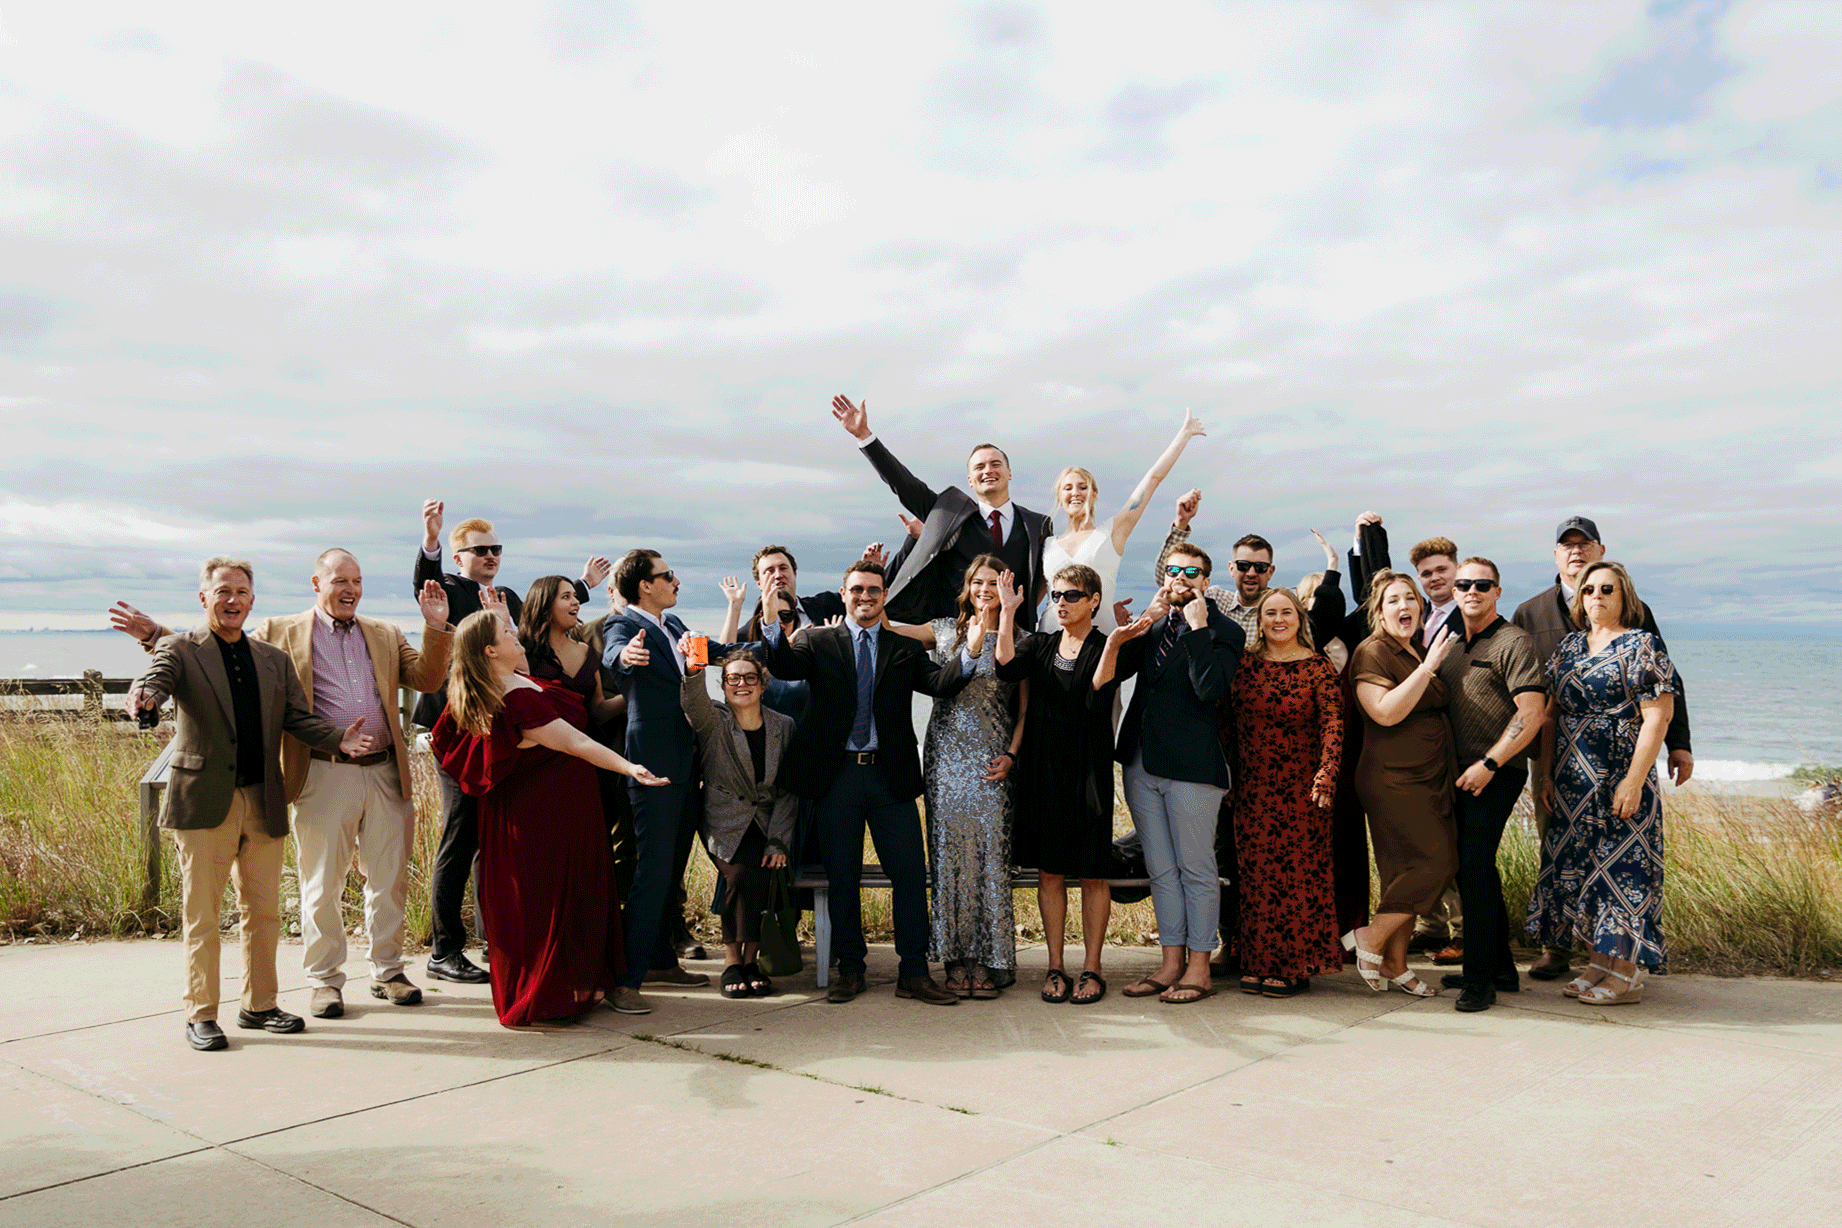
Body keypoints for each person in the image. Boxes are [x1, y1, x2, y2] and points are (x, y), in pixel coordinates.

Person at [110, 550, 453, 1018]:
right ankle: (325, 981)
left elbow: (430, 677)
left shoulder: (386, 633)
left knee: (388, 881)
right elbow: (216, 656)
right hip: (320, 770)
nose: (349, 589)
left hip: (385, 771)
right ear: (317, 583)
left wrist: (436, 627)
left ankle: (388, 971)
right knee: (321, 885)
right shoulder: (279, 632)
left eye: (356, 580)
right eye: (339, 580)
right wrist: (154, 637)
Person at [126, 558, 381, 1051]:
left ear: (252, 600)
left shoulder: (272, 658)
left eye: (241, 591)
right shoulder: (180, 648)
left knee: (262, 911)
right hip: (204, 804)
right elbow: (155, 680)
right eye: (223, 591)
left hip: (263, 799)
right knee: (202, 914)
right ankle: (200, 1013)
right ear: (205, 599)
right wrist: (143, 696)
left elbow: (296, 719)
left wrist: (338, 740)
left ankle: (259, 1005)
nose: (232, 600)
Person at [430, 610, 667, 1027]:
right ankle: (545, 996)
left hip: (551, 810)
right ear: (489, 650)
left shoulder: (504, 682)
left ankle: (560, 988)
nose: (515, 632)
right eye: (506, 632)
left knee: (551, 900)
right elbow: (575, 741)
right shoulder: (514, 698)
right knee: (546, 902)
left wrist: (499, 620)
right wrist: (629, 768)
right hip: (545, 818)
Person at [758, 558, 977, 1005]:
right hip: (836, 778)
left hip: (888, 778)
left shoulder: (904, 648)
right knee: (843, 878)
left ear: (883, 597)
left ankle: (913, 972)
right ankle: (851, 971)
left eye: (873, 591)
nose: (865, 597)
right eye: (857, 589)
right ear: (844, 594)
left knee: (911, 877)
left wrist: (970, 652)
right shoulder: (817, 642)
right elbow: (781, 666)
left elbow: (942, 684)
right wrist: (768, 617)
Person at [414, 500, 605, 987]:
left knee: (494, 841)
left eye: (496, 548)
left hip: (504, 736)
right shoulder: (450, 590)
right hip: (461, 735)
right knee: (461, 838)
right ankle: (444, 948)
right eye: (480, 550)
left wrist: (583, 587)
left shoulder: (508, 596)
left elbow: (529, 640)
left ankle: (495, 939)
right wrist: (432, 540)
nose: (491, 556)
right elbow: (426, 584)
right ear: (459, 558)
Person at [1512, 515, 1694, 982]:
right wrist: (1546, 773)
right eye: (1590, 591)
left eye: (1606, 590)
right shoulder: (1563, 641)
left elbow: (1660, 711)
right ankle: (1594, 963)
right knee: (1577, 867)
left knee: (1624, 872)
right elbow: (1548, 714)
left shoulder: (1642, 642)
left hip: (1619, 771)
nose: (1596, 597)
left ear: (1623, 596)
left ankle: (1625, 973)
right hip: (1570, 777)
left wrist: (1641, 776)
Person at [996, 564, 1150, 1005]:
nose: (1060, 602)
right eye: (1056, 595)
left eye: (1072, 596)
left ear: (1093, 602)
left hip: (1087, 772)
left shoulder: (1108, 644)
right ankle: (1056, 965)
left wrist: (1118, 641)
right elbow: (1006, 667)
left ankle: (1092, 967)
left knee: (1093, 874)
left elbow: (1098, 696)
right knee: (1050, 873)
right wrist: (1008, 612)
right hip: (1043, 772)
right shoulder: (1040, 644)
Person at [1113, 545, 1240, 1004]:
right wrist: (1136, 625)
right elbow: (1119, 673)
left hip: (1192, 768)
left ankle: (1200, 967)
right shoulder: (1155, 625)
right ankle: (1170, 964)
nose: (1181, 578)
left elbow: (1209, 688)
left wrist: (1199, 627)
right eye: (1173, 570)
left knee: (1196, 868)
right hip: (1140, 763)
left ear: (1206, 580)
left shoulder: (1225, 630)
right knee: (1161, 871)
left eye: (1192, 572)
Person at [601, 549, 717, 1013]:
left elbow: (710, 654)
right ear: (644, 585)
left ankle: (662, 960)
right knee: (651, 872)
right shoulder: (624, 627)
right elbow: (615, 656)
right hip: (653, 769)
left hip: (688, 765)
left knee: (671, 870)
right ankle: (625, 980)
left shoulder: (674, 624)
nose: (676, 581)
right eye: (668, 575)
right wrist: (626, 658)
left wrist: (770, 641)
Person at [830, 394, 1054, 631]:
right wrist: (864, 436)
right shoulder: (948, 512)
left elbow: (1041, 581)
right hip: (955, 637)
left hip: (1015, 638)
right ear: (970, 480)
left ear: (1009, 472)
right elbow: (904, 483)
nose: (988, 470)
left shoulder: (1038, 524)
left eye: (995, 464)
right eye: (979, 467)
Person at [1431, 559, 1547, 1013]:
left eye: (1482, 584)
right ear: (1454, 591)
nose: (1471, 591)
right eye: (1464, 584)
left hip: (1495, 773)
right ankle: (1499, 965)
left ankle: (1479, 981)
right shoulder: (1453, 643)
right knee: (1470, 868)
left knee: (1474, 866)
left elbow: (1531, 712)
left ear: (1497, 591)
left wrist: (1490, 763)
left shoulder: (1513, 641)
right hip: (1454, 772)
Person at [1344, 569, 1459, 998]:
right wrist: (1429, 669)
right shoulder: (1372, 652)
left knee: (1401, 875)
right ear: (1379, 610)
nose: (1404, 606)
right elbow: (1385, 712)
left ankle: (1395, 962)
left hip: (1428, 774)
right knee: (1437, 862)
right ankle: (1370, 938)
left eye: (1410, 598)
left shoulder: (1416, 649)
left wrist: (1426, 662)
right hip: (1392, 777)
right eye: (1393, 600)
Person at [1229, 587, 1345, 999]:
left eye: (1286, 613)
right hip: (1253, 787)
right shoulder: (1245, 665)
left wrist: (1326, 775)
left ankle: (1293, 966)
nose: (1278, 620)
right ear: (1259, 621)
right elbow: (1228, 721)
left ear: (1300, 619)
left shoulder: (1318, 667)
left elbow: (1334, 724)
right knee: (1257, 877)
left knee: (1296, 876)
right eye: (1269, 613)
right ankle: (1259, 962)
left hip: (1302, 789)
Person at [920, 556, 1025, 999]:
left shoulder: (1021, 638)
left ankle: (989, 960)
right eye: (977, 582)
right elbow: (885, 627)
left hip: (991, 760)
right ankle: (955, 959)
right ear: (966, 587)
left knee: (989, 862)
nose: (985, 589)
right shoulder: (943, 630)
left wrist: (1012, 756)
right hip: (945, 761)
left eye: (993, 582)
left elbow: (1026, 710)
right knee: (948, 862)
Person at [678, 650, 796, 999]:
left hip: (767, 818)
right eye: (733, 678)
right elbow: (693, 699)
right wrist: (693, 669)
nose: (741, 684)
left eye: (749, 678)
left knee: (761, 874)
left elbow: (788, 791)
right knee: (740, 874)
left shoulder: (782, 725)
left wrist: (779, 840)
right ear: (724, 685)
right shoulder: (714, 719)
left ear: (762, 685)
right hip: (724, 818)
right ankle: (733, 961)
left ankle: (751, 962)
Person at [1043, 408, 1206, 618]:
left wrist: (1184, 435)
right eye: (1068, 488)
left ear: (1094, 494)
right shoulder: (1047, 545)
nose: (1075, 493)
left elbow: (1153, 478)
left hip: (1099, 640)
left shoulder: (1111, 533)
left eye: (1083, 487)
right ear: (1059, 496)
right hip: (1049, 638)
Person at [717, 544, 846, 725]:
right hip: (766, 726)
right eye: (769, 570)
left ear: (794, 573)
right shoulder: (752, 632)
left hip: (816, 722)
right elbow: (723, 656)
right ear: (760, 583)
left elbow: (868, 600)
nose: (778, 574)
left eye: (783, 568)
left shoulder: (827, 606)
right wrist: (735, 605)